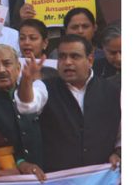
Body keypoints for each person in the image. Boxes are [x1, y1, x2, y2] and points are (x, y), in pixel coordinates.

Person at [16, 35, 121, 172]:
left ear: (90, 60)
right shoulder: (45, 87)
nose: (67, 62)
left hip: (101, 176)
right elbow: (27, 106)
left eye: (75, 56)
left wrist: (118, 153)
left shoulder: (112, 90)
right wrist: (26, 81)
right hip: (59, 177)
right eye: (62, 57)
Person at [0, 45, 46, 181]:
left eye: (7, 64)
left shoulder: (35, 93)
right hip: (6, 178)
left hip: (46, 174)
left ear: (18, 68)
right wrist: (20, 163)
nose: (1, 70)